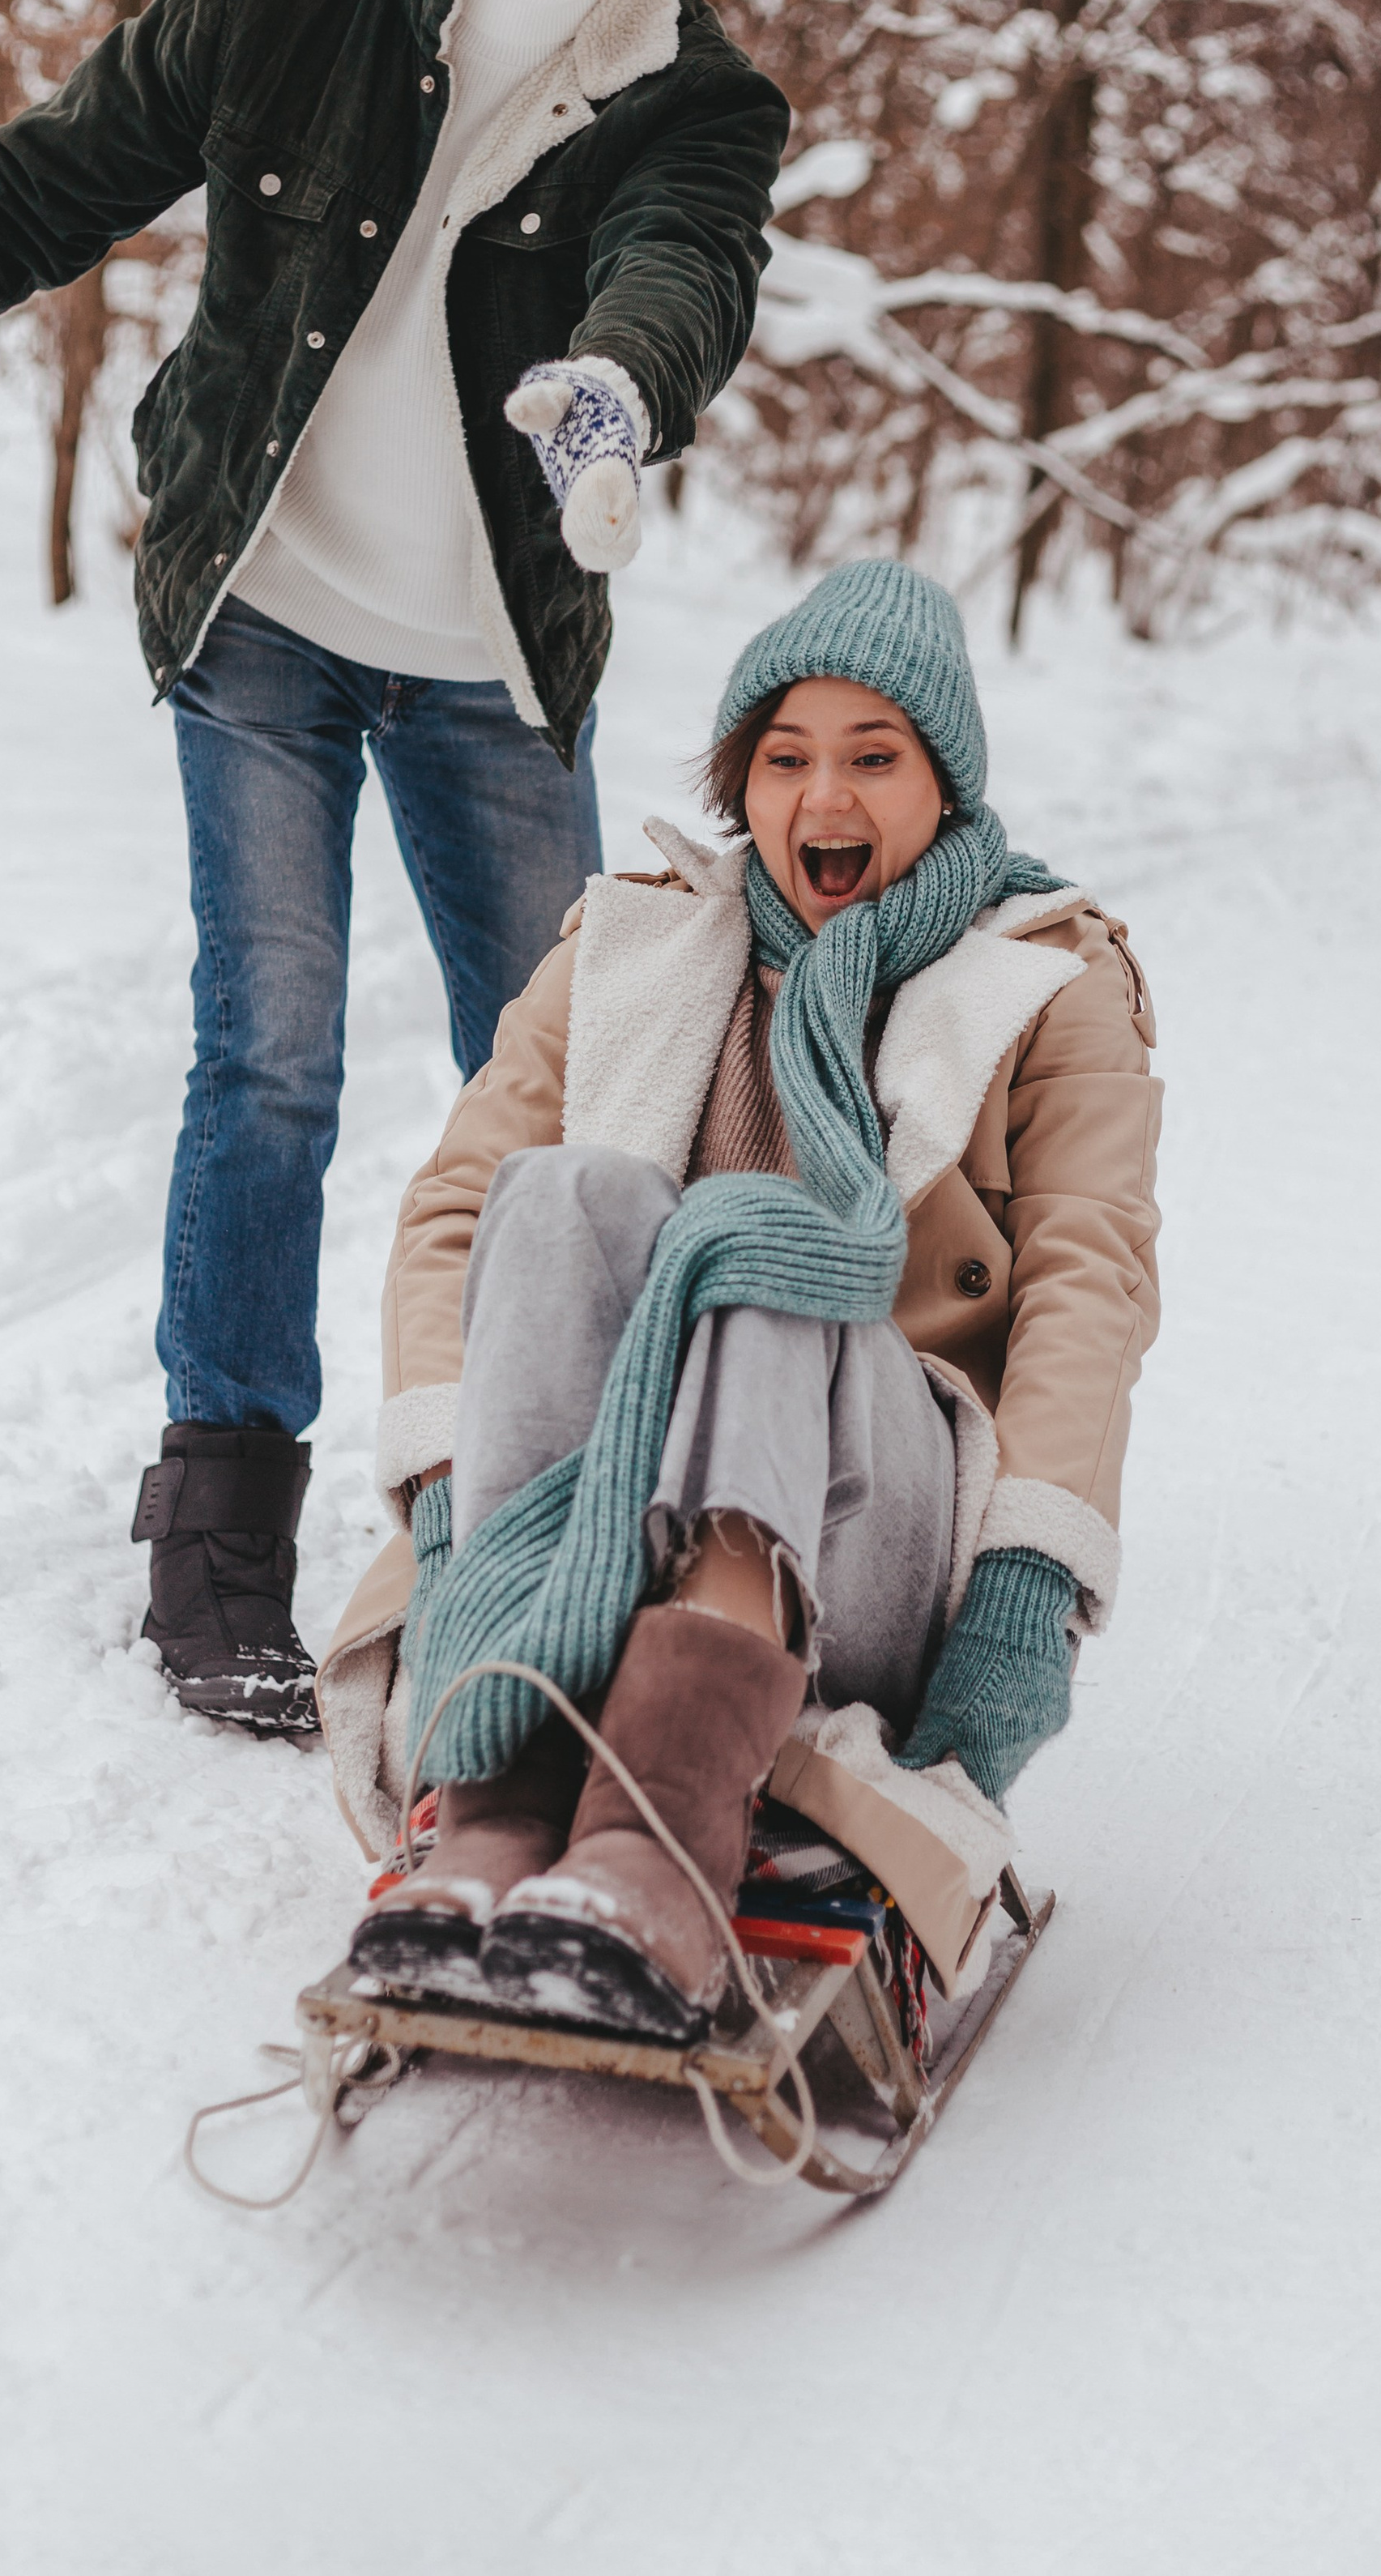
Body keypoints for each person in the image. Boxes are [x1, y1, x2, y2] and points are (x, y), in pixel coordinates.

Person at [0, 0, 789, 1736]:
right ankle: (220, 1534)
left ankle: (572, 1514)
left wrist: (615, 387)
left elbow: (686, 265)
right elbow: (33, 192)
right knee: (274, 1063)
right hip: (267, 618)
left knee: (580, 1112)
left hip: (496, 662)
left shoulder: (691, 90)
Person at [314, 559, 1164, 2043]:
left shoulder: (1048, 978)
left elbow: (1091, 1284)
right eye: (786, 758)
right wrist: (452, 1509)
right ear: (743, 782)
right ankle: (505, 1806)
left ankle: (663, 1832)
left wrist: (1028, 1591)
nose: (823, 796)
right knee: (561, 1195)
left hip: (864, 1531)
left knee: (763, 1235)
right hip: (589, 1516)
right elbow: (457, 1211)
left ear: (944, 784)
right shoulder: (635, 939)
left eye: (873, 757)